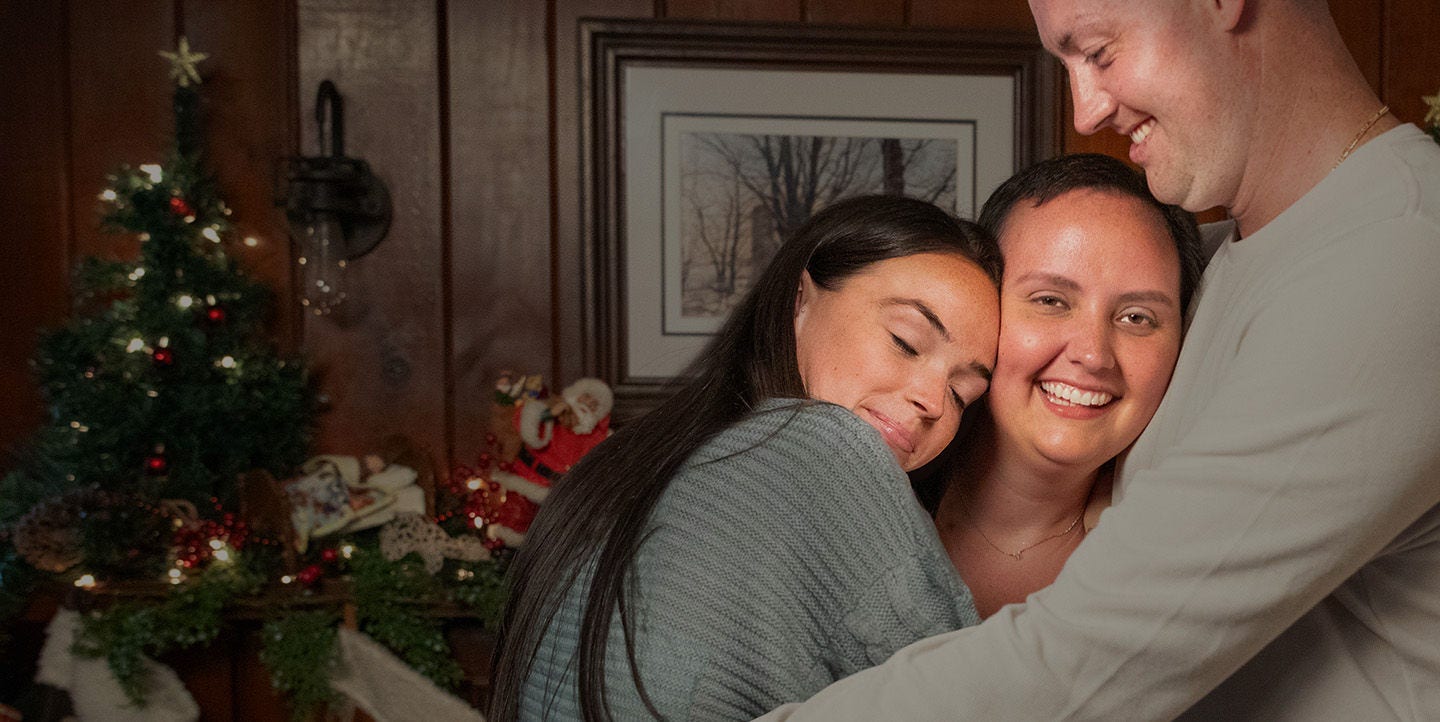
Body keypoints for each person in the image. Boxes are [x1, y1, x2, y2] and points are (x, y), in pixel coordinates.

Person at [757, 0, 1440, 718]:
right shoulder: (1227, 258)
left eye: (1099, 51)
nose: (1085, 113)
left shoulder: (1399, 258)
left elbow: (1085, 665)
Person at [488, 194, 1003, 721]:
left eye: (962, 393)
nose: (933, 401)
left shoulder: (631, 461)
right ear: (798, 303)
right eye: (905, 341)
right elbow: (973, 708)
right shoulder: (827, 451)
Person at [924, 153, 1202, 619]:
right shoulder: (867, 489)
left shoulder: (1172, 565)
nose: (1093, 355)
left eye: (1137, 317)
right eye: (1051, 301)